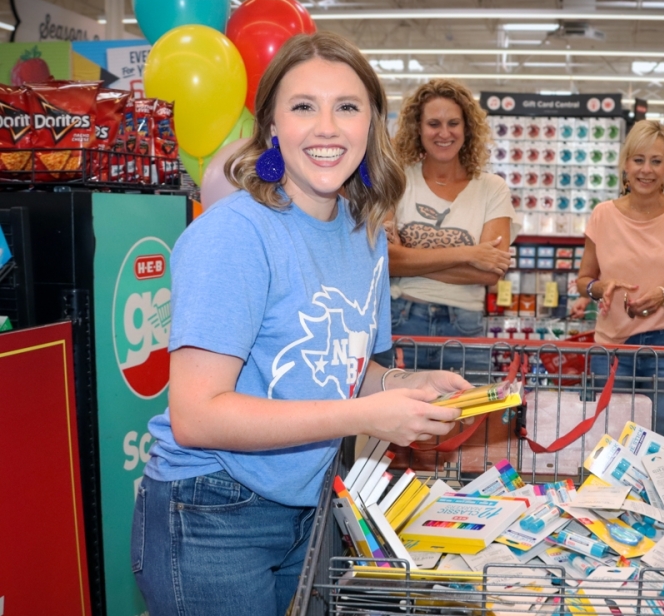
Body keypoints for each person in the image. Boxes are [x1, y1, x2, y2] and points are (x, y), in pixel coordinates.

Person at [132, 32, 466, 616]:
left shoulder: (363, 231)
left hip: (305, 501)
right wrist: (367, 415)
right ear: (272, 127)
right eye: (303, 106)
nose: (327, 127)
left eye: (347, 106)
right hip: (210, 508)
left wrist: (400, 387)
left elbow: (346, 370)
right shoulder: (234, 235)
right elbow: (196, 414)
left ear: (373, 124)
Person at [576, 121, 664, 437]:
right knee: (610, 442)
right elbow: (584, 278)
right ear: (625, 164)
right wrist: (599, 288)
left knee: (657, 443)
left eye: (656, 161)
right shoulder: (603, 214)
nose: (646, 170)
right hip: (612, 347)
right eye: (638, 160)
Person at [382, 79, 516, 376]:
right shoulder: (398, 179)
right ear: (418, 128)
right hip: (402, 321)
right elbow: (384, 260)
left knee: (468, 421)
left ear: (467, 128)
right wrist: (469, 253)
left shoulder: (492, 189)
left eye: (453, 123)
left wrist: (408, 257)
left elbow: (490, 271)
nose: (444, 133)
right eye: (434, 123)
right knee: (396, 418)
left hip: (464, 326)